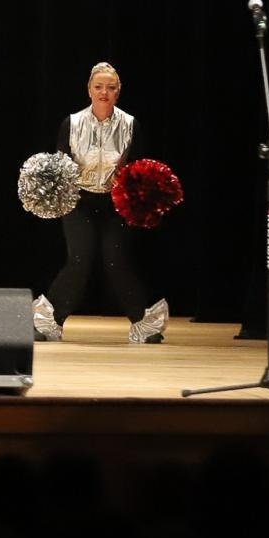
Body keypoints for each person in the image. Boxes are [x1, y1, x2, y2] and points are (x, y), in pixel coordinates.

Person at [33, 62, 168, 343]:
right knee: (79, 259)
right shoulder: (72, 123)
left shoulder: (130, 125)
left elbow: (139, 169)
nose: (104, 92)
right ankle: (48, 323)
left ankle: (144, 324)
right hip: (79, 201)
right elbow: (59, 166)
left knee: (116, 260)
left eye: (110, 87)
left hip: (115, 203)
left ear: (118, 91)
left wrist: (130, 191)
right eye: (98, 87)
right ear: (89, 90)